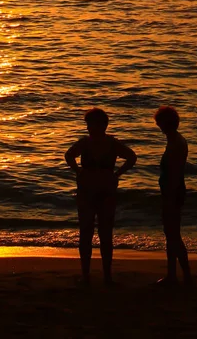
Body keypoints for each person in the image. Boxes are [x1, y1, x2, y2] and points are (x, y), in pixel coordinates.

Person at [65, 108, 137, 285]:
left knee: (105, 234)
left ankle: (106, 275)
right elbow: (69, 156)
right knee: (86, 234)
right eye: (89, 124)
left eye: (93, 124)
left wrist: (117, 174)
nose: (90, 128)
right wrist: (78, 171)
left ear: (103, 125)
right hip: (87, 192)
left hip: (106, 192)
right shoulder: (85, 143)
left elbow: (132, 157)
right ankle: (86, 274)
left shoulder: (112, 143)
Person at [155, 105, 192, 286]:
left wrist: (170, 195)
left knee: (173, 234)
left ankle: (184, 275)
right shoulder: (175, 140)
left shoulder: (176, 143)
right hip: (172, 190)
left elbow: (174, 172)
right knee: (171, 234)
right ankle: (173, 274)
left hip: (173, 191)